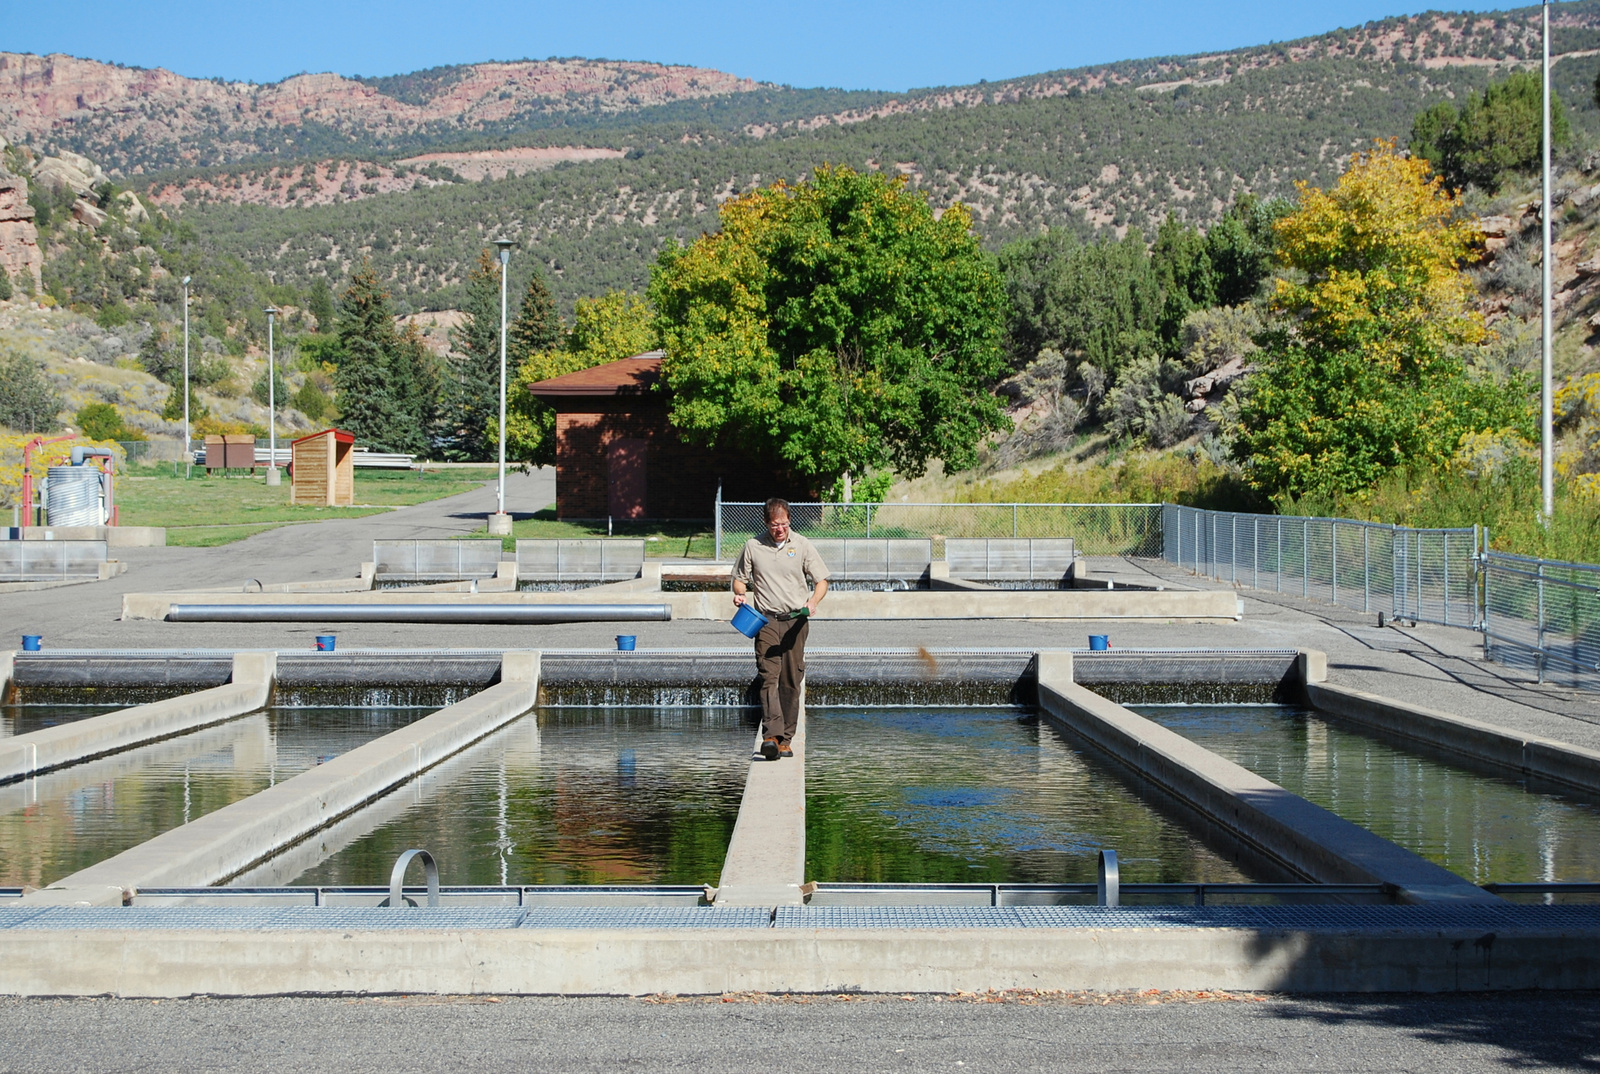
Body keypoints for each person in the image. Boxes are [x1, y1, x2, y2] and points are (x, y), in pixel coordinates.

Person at [732, 497, 830, 760]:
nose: (781, 529)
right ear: (766, 523)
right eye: (776, 525)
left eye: (785, 524)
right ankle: (771, 737)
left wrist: (813, 601)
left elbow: (822, 581)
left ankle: (786, 739)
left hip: (796, 620)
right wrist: (740, 595)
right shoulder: (753, 546)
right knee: (768, 677)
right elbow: (739, 580)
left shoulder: (801, 544)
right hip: (765, 621)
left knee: (791, 680)